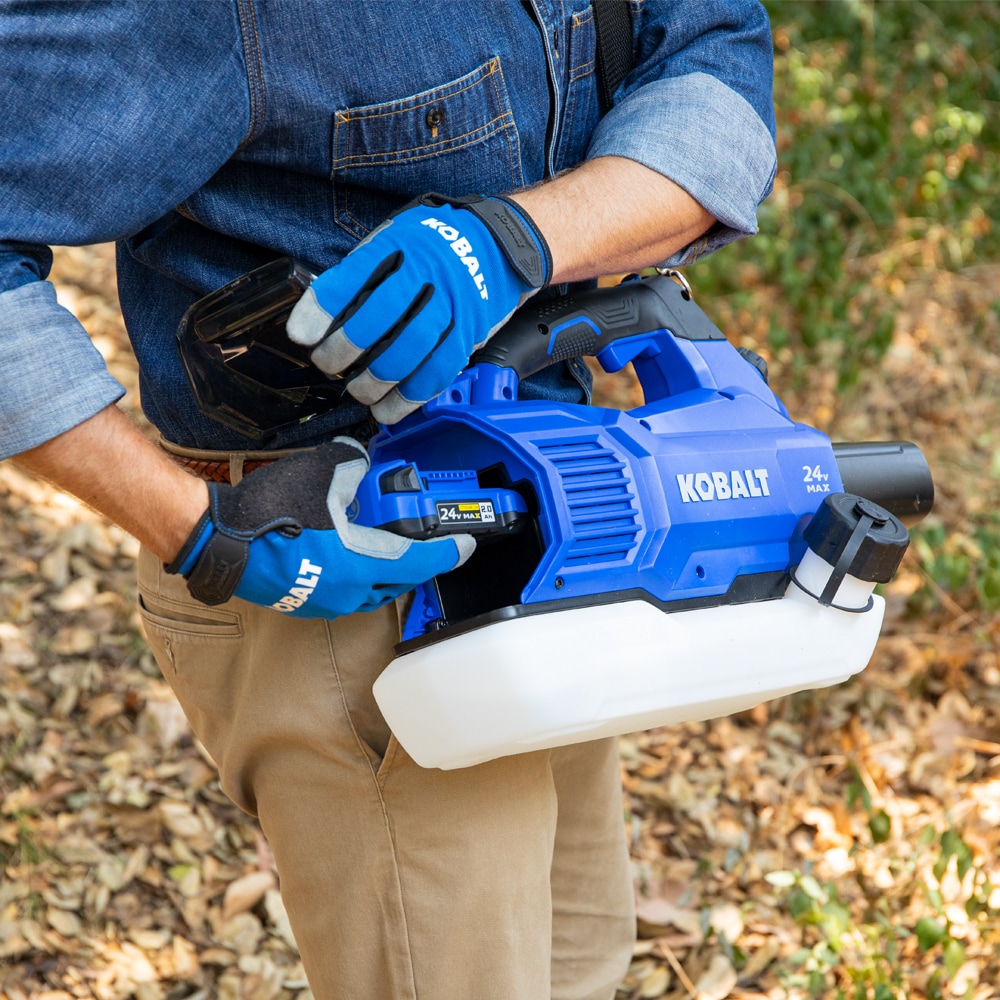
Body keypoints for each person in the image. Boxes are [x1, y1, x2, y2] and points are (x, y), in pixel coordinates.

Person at [0, 2, 777, 997]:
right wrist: (198, 530)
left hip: (557, 536)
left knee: (576, 960)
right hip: (338, 572)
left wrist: (517, 241)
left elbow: (716, 59)